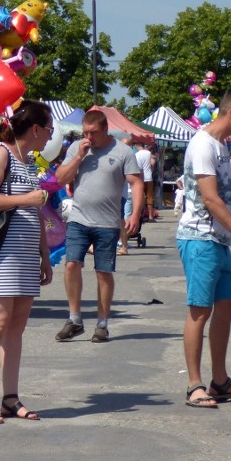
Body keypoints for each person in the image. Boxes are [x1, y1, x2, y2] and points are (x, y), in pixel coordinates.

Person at [177, 87, 231, 408]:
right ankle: (194, 384)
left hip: (217, 239)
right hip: (199, 237)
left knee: (226, 305)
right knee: (200, 310)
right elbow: (210, 198)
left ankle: (220, 380)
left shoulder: (222, 146)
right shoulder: (202, 144)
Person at [0, 100, 55, 424]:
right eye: (48, 131)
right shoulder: (1, 154)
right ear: (35, 129)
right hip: (2, 254)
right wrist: (26, 199)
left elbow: (34, 212)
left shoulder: (26, 161)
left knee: (17, 328)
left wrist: (44, 253)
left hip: (24, 255)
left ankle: (11, 397)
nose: (50, 137)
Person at [54, 110, 144, 343]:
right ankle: (74, 319)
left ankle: (102, 323)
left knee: (103, 272)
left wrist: (135, 213)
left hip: (107, 222)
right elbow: (60, 179)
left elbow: (136, 183)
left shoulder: (123, 151)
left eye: (93, 133)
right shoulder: (77, 148)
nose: (88, 137)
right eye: (85, 132)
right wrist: (78, 158)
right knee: (72, 264)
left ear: (105, 129)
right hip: (79, 218)